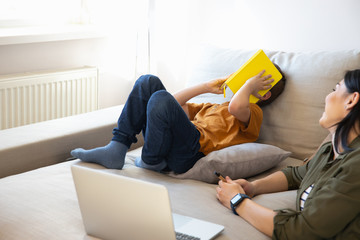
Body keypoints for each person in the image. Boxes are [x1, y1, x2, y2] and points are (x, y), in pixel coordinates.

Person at [216, 69, 360, 239]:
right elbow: (296, 175)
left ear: (351, 100)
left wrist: (238, 201)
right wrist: (253, 186)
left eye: (335, 89)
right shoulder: (329, 152)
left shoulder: (356, 165)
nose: (328, 97)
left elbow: (302, 231)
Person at [70, 65, 286, 174]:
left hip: (190, 151)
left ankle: (151, 160)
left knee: (160, 98)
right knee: (148, 82)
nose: (246, 80)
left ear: (264, 94)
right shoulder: (214, 106)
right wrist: (205, 87)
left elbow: (237, 106)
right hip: (178, 138)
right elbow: (170, 105)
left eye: (253, 79)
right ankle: (117, 148)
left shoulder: (254, 113)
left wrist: (249, 85)